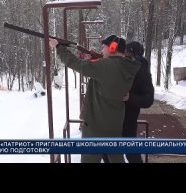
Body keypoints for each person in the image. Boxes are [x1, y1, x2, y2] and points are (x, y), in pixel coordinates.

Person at [49, 35, 140, 163]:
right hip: (115, 123)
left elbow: (74, 63)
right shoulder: (129, 67)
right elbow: (109, 69)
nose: (101, 51)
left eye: (103, 48)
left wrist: (58, 47)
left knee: (89, 158)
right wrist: (92, 60)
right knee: (116, 156)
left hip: (95, 125)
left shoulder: (104, 65)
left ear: (113, 47)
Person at [122, 41, 154, 163]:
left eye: (127, 53)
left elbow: (148, 100)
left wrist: (129, 98)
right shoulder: (121, 65)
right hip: (112, 119)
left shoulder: (143, 73)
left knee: (132, 155)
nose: (124, 56)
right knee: (107, 152)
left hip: (128, 122)